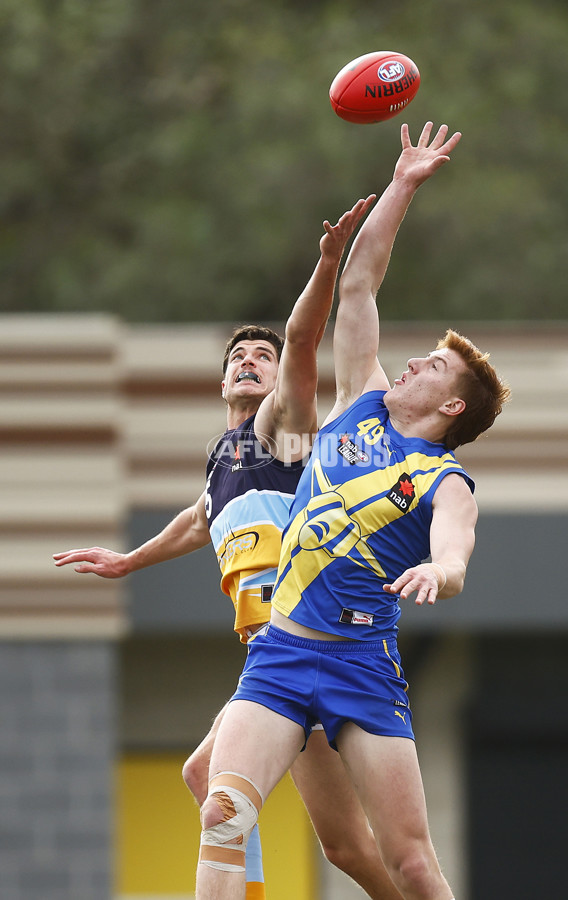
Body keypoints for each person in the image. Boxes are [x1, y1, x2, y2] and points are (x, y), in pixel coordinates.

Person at [54, 194, 413, 900]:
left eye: (262, 356)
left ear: (278, 380)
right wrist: (128, 560)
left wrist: (325, 265)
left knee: (346, 847)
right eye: (239, 356)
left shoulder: (283, 428)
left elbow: (304, 341)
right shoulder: (224, 459)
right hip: (270, 655)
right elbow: (197, 519)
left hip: (306, 647)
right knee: (208, 782)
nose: (250, 361)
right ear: (223, 381)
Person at [194, 121, 512, 900]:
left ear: (454, 403)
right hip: (279, 656)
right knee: (224, 814)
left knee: (407, 864)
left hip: (361, 668)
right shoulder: (357, 405)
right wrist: (401, 186)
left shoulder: (446, 480)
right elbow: (360, 287)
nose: (411, 362)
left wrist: (444, 569)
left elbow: (453, 546)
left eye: (431, 365)